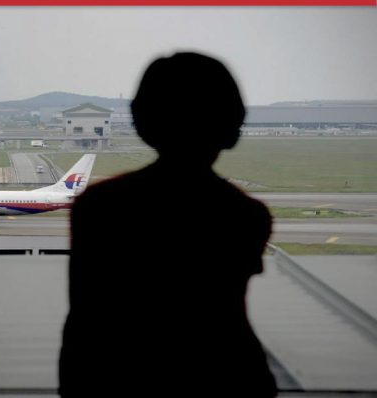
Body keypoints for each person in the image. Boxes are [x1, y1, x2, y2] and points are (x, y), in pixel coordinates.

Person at [58, 52, 277, 397]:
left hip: (121, 376)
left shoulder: (100, 207)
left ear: (141, 123)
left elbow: (85, 321)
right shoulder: (245, 214)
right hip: (226, 375)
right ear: (233, 128)